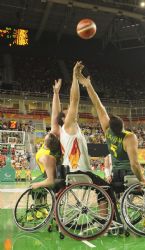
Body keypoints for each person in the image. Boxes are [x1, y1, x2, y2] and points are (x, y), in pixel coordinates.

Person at [51, 62, 116, 216]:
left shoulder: (63, 129)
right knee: (106, 190)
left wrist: (56, 94)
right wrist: (74, 76)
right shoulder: (68, 126)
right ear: (65, 119)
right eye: (68, 113)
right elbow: (74, 101)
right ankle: (105, 221)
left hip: (69, 172)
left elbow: (55, 116)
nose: (72, 112)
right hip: (79, 172)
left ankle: (57, 218)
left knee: (102, 186)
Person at [76, 63, 145, 198]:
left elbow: (98, 105)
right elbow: (134, 164)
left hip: (116, 175)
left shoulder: (107, 131)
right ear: (122, 125)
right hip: (128, 175)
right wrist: (142, 180)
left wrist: (88, 85)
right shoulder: (130, 137)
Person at [31, 79, 63, 190]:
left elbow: (55, 115)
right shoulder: (56, 139)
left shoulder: (47, 156)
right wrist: (56, 94)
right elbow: (56, 114)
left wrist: (56, 93)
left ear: (46, 144)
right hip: (49, 171)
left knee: (34, 188)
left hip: (48, 176)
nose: (49, 132)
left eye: (48, 133)